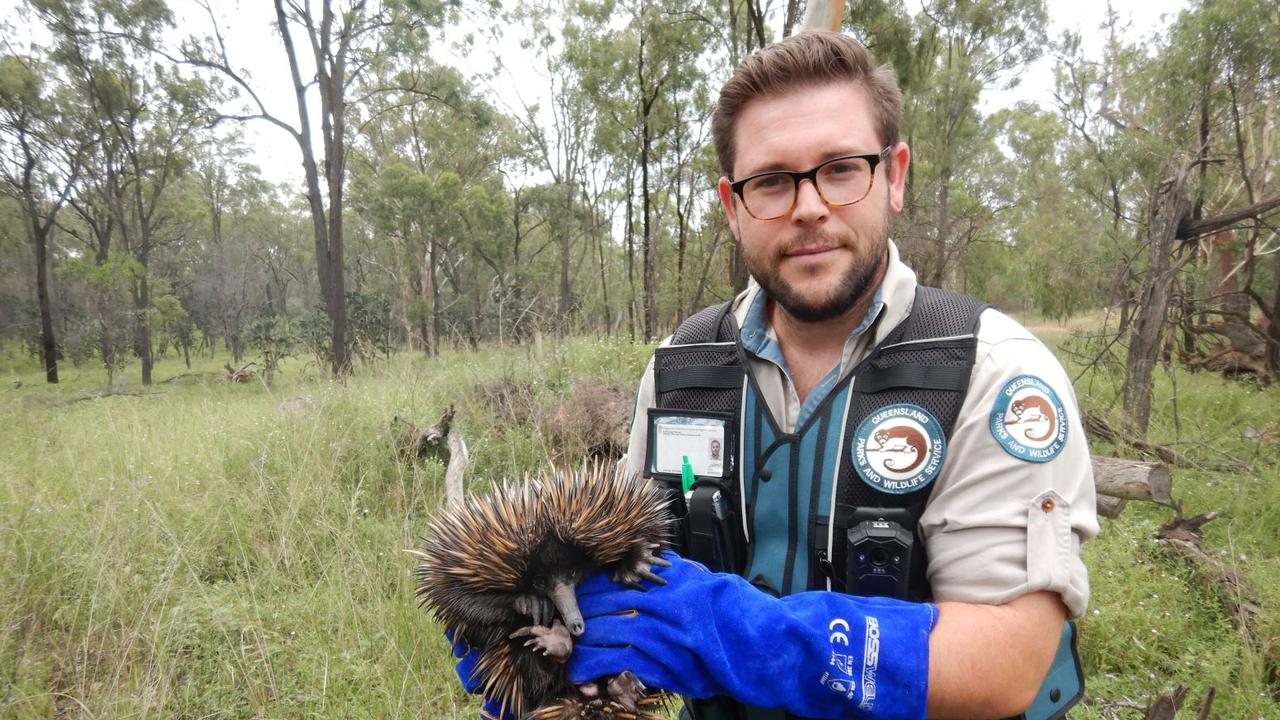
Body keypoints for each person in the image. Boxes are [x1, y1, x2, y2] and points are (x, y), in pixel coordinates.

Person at [562, 30, 1099, 720]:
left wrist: (750, 637)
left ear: (894, 176)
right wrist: (552, 646)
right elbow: (634, 593)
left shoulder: (990, 373)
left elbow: (1008, 663)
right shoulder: (682, 369)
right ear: (733, 207)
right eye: (772, 181)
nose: (809, 206)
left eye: (841, 168)